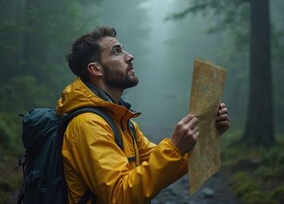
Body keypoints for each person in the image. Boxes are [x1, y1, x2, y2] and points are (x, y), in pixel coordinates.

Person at [56, 26, 230, 204]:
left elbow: (160, 165)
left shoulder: (122, 122)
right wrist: (175, 147)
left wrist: (208, 132)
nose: (130, 56)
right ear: (96, 69)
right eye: (117, 52)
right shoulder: (87, 125)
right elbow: (120, 194)